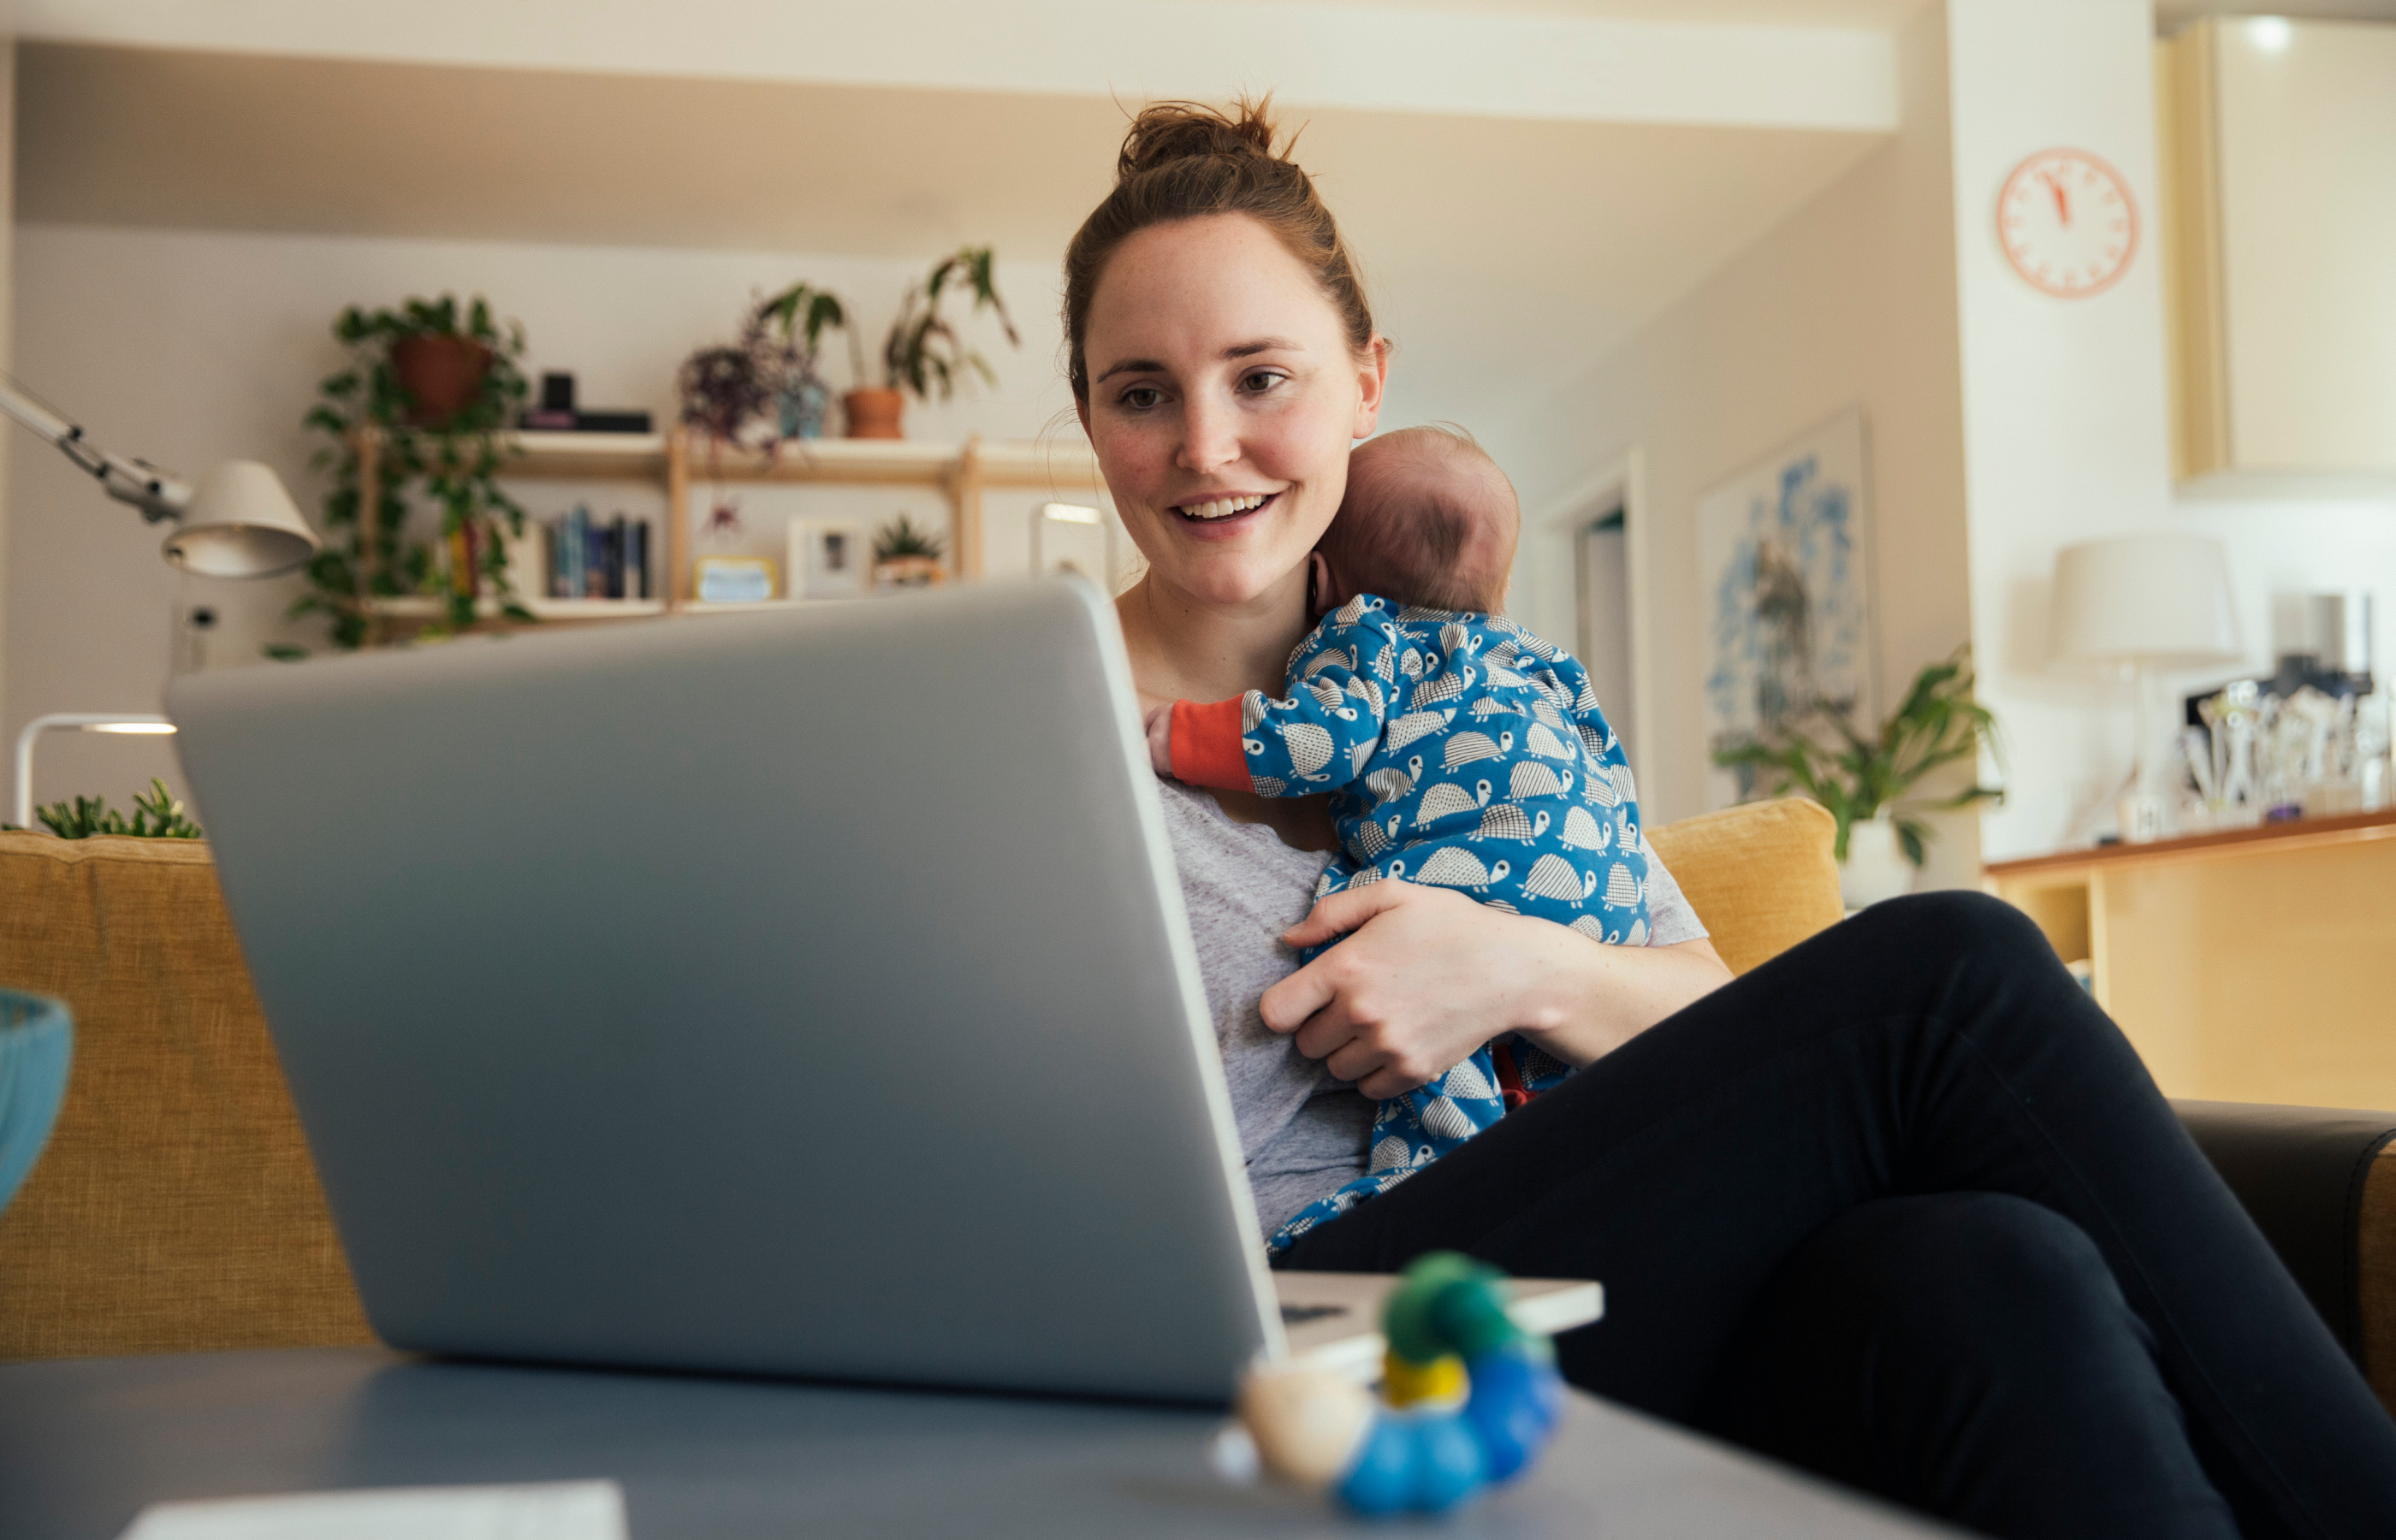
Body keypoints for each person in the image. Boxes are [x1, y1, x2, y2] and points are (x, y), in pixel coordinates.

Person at [1067, 96, 2396, 1538]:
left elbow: (1697, 1005)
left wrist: (1510, 966)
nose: (1208, 446)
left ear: (1368, 382)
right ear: (1089, 413)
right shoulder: (1038, 737)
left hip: (1577, 1293)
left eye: (1263, 378)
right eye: (1142, 393)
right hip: (1306, 1334)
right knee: (1949, 983)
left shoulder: (1485, 702)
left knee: (1995, 1268)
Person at [1143, 424, 1655, 1254]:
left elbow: (1313, 745)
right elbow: (1607, 769)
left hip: (1474, 884)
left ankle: (1431, 1163)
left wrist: (1168, 735)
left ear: (1326, 579)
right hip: (1603, 887)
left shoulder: (1367, 634)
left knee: (1393, 987)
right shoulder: (1537, 662)